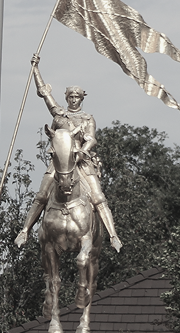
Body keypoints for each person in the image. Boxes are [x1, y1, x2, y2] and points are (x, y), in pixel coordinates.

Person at [14, 54, 122, 252]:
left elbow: (91, 138)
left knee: (98, 197)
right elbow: (43, 93)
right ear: (66, 98)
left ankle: (113, 235)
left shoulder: (87, 118)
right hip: (59, 163)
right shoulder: (59, 115)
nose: (73, 100)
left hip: (81, 161)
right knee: (42, 195)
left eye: (77, 97)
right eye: (71, 97)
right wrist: (35, 68)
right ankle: (25, 230)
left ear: (82, 98)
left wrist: (82, 151)